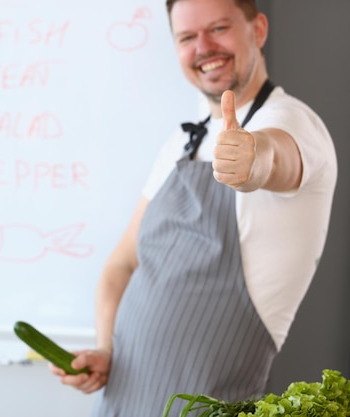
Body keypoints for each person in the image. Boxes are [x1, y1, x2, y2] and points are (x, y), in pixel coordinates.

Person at [48, 0, 338, 416]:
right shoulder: (180, 144)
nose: (203, 47)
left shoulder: (294, 122)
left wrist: (252, 161)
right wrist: (105, 349)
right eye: (186, 37)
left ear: (257, 30)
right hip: (123, 400)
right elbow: (122, 264)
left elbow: (276, 158)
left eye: (219, 28)